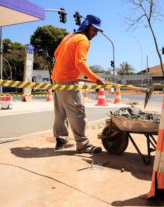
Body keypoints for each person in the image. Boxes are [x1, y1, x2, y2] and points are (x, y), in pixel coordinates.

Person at [51, 15, 106, 153]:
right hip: (67, 80)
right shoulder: (83, 40)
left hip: (57, 77)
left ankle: (61, 140)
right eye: (94, 30)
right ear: (87, 26)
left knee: (61, 111)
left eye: (97, 31)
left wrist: (68, 68)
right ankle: (83, 144)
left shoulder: (70, 36)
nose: (95, 34)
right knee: (78, 111)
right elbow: (80, 63)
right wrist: (95, 79)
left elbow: (56, 54)